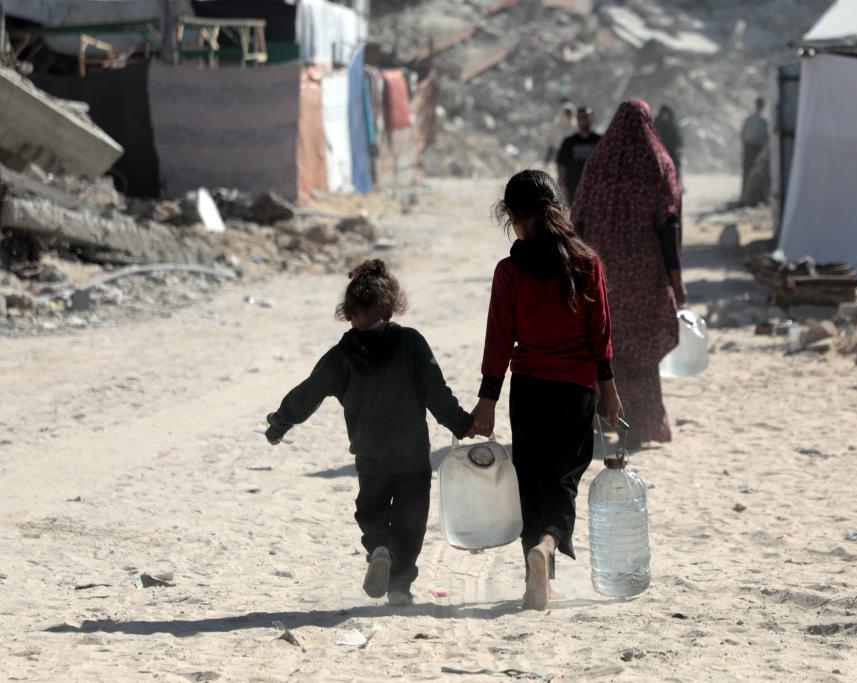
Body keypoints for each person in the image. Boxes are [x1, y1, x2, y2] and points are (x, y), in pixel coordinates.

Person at [264, 259, 475, 607]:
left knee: (371, 510)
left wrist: (280, 423)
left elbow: (309, 391)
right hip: (411, 456)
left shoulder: (340, 357)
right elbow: (436, 391)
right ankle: (400, 584)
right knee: (411, 521)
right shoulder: (411, 343)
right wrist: (462, 424)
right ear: (390, 309)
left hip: (371, 456)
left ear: (349, 314)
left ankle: (379, 546)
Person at [470, 169, 623, 611]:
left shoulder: (510, 270)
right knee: (563, 481)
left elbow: (498, 338)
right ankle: (549, 546)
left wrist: (487, 400)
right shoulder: (586, 263)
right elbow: (601, 335)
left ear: (514, 217)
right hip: (576, 389)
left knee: (532, 482)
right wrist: (608, 390)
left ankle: (535, 580)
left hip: (530, 389)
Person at [571, 99, 685, 445]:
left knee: (605, 348)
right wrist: (676, 279)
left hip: (601, 276)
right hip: (645, 276)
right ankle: (641, 426)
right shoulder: (658, 162)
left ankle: (604, 422)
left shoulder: (599, 163)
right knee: (641, 352)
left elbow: (579, 219)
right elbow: (668, 224)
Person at [555, 105, 601, 206]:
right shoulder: (569, 143)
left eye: (587, 117)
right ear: (577, 119)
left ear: (592, 118)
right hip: (573, 193)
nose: (584, 120)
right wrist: (561, 192)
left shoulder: (600, 141)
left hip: (595, 193)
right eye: (581, 117)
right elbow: (562, 167)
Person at [741, 97, 769, 198]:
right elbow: (765, 138)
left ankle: (747, 195)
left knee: (748, 171)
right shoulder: (763, 122)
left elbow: (743, 134)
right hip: (755, 148)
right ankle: (750, 196)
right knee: (754, 171)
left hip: (750, 147)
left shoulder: (750, 120)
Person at [653, 104, 682, 178]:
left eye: (666, 114)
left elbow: (678, 138)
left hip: (672, 151)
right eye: (663, 114)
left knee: (675, 168)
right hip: (659, 152)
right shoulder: (656, 124)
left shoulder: (673, 125)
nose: (665, 116)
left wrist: (678, 147)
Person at [545, 100, 576, 165]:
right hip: (557, 146)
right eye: (566, 112)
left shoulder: (574, 124)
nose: (568, 114)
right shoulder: (558, 122)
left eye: (569, 113)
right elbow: (554, 135)